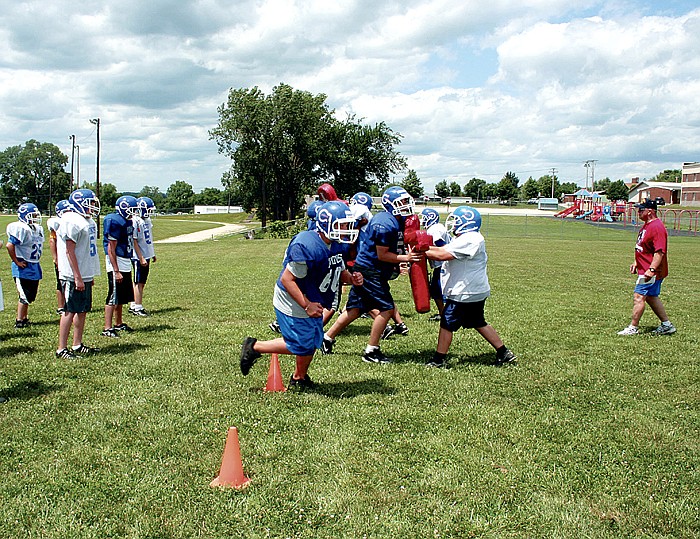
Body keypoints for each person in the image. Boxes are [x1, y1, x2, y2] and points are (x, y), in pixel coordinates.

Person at [240, 201, 363, 389]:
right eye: (342, 225)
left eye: (347, 225)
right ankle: (254, 347)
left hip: (312, 296)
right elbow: (287, 280)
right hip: (293, 297)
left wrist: (350, 278)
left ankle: (299, 378)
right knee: (301, 344)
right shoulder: (306, 244)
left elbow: (337, 270)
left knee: (314, 338)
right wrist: (306, 305)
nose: (347, 229)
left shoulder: (338, 244)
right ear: (326, 224)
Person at [321, 186, 422, 364]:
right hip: (370, 270)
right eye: (402, 202)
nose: (406, 205)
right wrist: (405, 258)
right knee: (387, 308)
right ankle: (371, 351)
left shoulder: (395, 220)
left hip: (369, 268)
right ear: (390, 204)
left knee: (355, 309)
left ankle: (326, 339)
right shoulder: (384, 223)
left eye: (407, 201)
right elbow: (382, 254)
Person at [424, 206, 516, 368]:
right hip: (474, 290)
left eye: (457, 220)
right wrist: (422, 247)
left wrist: (420, 252)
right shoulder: (466, 238)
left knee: (446, 323)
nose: (453, 224)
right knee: (478, 322)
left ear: (468, 222)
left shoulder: (472, 239)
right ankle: (504, 352)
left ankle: (438, 360)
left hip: (465, 291)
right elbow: (442, 249)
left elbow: (442, 255)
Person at [618, 198, 676, 336]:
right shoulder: (647, 225)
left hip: (651, 271)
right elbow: (643, 248)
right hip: (645, 268)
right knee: (651, 296)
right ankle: (667, 325)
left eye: (641, 210)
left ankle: (633, 327)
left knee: (639, 296)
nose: (638, 212)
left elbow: (660, 251)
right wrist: (636, 262)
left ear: (650, 212)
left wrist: (651, 270)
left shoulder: (657, 227)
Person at [56, 189, 102, 359]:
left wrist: (88, 274)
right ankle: (61, 348)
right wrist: (77, 276)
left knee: (82, 310)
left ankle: (77, 344)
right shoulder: (72, 220)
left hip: (84, 272)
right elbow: (70, 251)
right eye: (89, 203)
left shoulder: (86, 220)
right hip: (73, 274)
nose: (92, 207)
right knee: (69, 310)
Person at [102, 196, 138, 337]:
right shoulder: (114, 221)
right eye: (131, 209)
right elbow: (111, 248)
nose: (133, 212)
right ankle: (107, 328)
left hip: (124, 260)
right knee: (113, 295)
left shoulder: (127, 220)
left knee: (121, 296)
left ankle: (118, 323)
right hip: (116, 261)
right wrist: (116, 270)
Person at [6, 203, 44, 328]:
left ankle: (25, 318)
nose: (34, 217)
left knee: (30, 295)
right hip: (23, 266)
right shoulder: (21, 228)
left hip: (34, 265)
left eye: (35, 215)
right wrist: (17, 261)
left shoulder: (35, 228)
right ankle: (19, 321)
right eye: (31, 215)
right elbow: (9, 245)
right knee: (23, 295)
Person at [420, 207, 451, 321]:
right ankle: (443, 313)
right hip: (440, 264)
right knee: (435, 290)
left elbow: (440, 243)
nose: (422, 220)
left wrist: (425, 250)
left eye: (423, 217)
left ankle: (446, 314)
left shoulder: (435, 229)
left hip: (443, 263)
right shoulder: (435, 228)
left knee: (439, 290)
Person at [129, 196, 157, 317]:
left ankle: (135, 304)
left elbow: (148, 238)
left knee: (142, 281)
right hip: (138, 256)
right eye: (149, 209)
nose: (150, 212)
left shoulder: (147, 220)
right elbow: (134, 240)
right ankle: (137, 306)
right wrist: (140, 257)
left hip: (146, 254)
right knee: (138, 282)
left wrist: (152, 253)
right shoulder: (135, 221)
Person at [47, 200, 72, 315]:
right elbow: (52, 241)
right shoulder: (56, 222)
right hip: (62, 257)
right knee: (61, 281)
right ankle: (61, 306)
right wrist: (55, 258)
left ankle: (70, 303)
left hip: (71, 255)